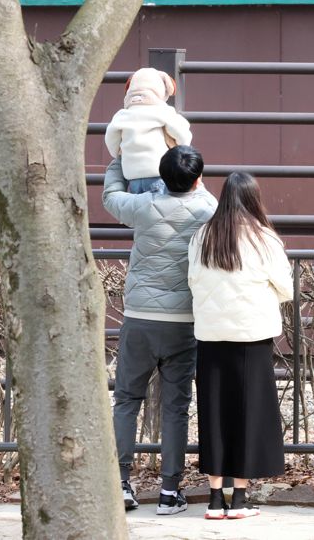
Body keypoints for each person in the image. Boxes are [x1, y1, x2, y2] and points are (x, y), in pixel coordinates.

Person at [102, 145, 217, 514]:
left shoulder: (144, 206)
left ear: (160, 176)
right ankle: (170, 492)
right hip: (184, 322)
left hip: (139, 317)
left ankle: (120, 484)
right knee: (176, 408)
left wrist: (123, 155)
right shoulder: (208, 209)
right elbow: (204, 198)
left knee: (126, 401)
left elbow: (110, 197)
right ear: (198, 178)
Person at [188, 172, 293, 520]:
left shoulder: (203, 235)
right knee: (247, 413)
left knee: (214, 413)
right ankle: (241, 498)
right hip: (252, 335)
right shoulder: (264, 238)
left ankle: (215, 497)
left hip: (210, 334)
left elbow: (192, 281)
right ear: (253, 199)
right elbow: (287, 289)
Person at [105, 67, 194, 194]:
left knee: (138, 209)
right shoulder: (162, 111)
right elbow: (182, 133)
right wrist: (181, 147)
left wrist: (117, 152)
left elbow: (110, 138)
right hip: (158, 171)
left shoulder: (122, 115)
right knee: (158, 209)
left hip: (132, 174)